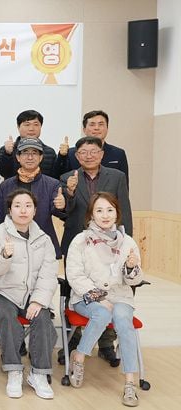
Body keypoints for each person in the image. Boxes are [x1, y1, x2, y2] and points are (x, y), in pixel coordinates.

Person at [65, 192, 143, 407]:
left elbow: (136, 280)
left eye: (110, 210)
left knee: (124, 321)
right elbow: (74, 276)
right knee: (102, 313)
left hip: (120, 296)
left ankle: (130, 383)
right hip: (86, 296)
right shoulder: (81, 241)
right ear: (91, 215)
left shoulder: (127, 242)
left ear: (117, 213)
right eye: (99, 210)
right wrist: (98, 297)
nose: (105, 215)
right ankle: (79, 356)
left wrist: (131, 268)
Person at [60, 136, 132, 365]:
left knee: (110, 290)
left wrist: (125, 242)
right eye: (83, 152)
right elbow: (63, 212)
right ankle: (73, 341)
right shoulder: (67, 178)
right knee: (75, 290)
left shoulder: (117, 176)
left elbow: (123, 210)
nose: (89, 156)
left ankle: (106, 344)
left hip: (110, 245)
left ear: (102, 154)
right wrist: (70, 193)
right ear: (77, 156)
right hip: (78, 243)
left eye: (93, 151)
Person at [0, 189, 58, 399]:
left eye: (28, 206)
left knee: (42, 318)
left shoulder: (44, 239)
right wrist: (4, 255)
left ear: (35, 210)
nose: (23, 210)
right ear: (10, 210)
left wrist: (39, 301)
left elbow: (49, 274)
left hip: (31, 294)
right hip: (0, 292)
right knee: (7, 318)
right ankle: (14, 370)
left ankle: (38, 374)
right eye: (17, 206)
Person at [0, 138, 66, 259]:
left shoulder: (52, 184)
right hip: (13, 248)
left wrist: (62, 206)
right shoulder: (6, 186)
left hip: (43, 247)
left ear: (41, 157)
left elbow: (58, 212)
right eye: (25, 153)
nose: (30, 157)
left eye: (34, 153)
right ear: (18, 157)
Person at [53, 110, 129, 183]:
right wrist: (62, 156)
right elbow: (57, 179)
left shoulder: (118, 154)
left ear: (107, 128)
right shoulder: (70, 153)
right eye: (92, 125)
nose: (96, 128)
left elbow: (123, 184)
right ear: (84, 130)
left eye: (101, 124)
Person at [0, 110, 58, 179]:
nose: (31, 129)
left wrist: (62, 157)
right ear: (18, 127)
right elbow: (4, 173)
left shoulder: (50, 152)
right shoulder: (7, 150)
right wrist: (8, 154)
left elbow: (56, 177)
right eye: (27, 125)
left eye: (36, 124)